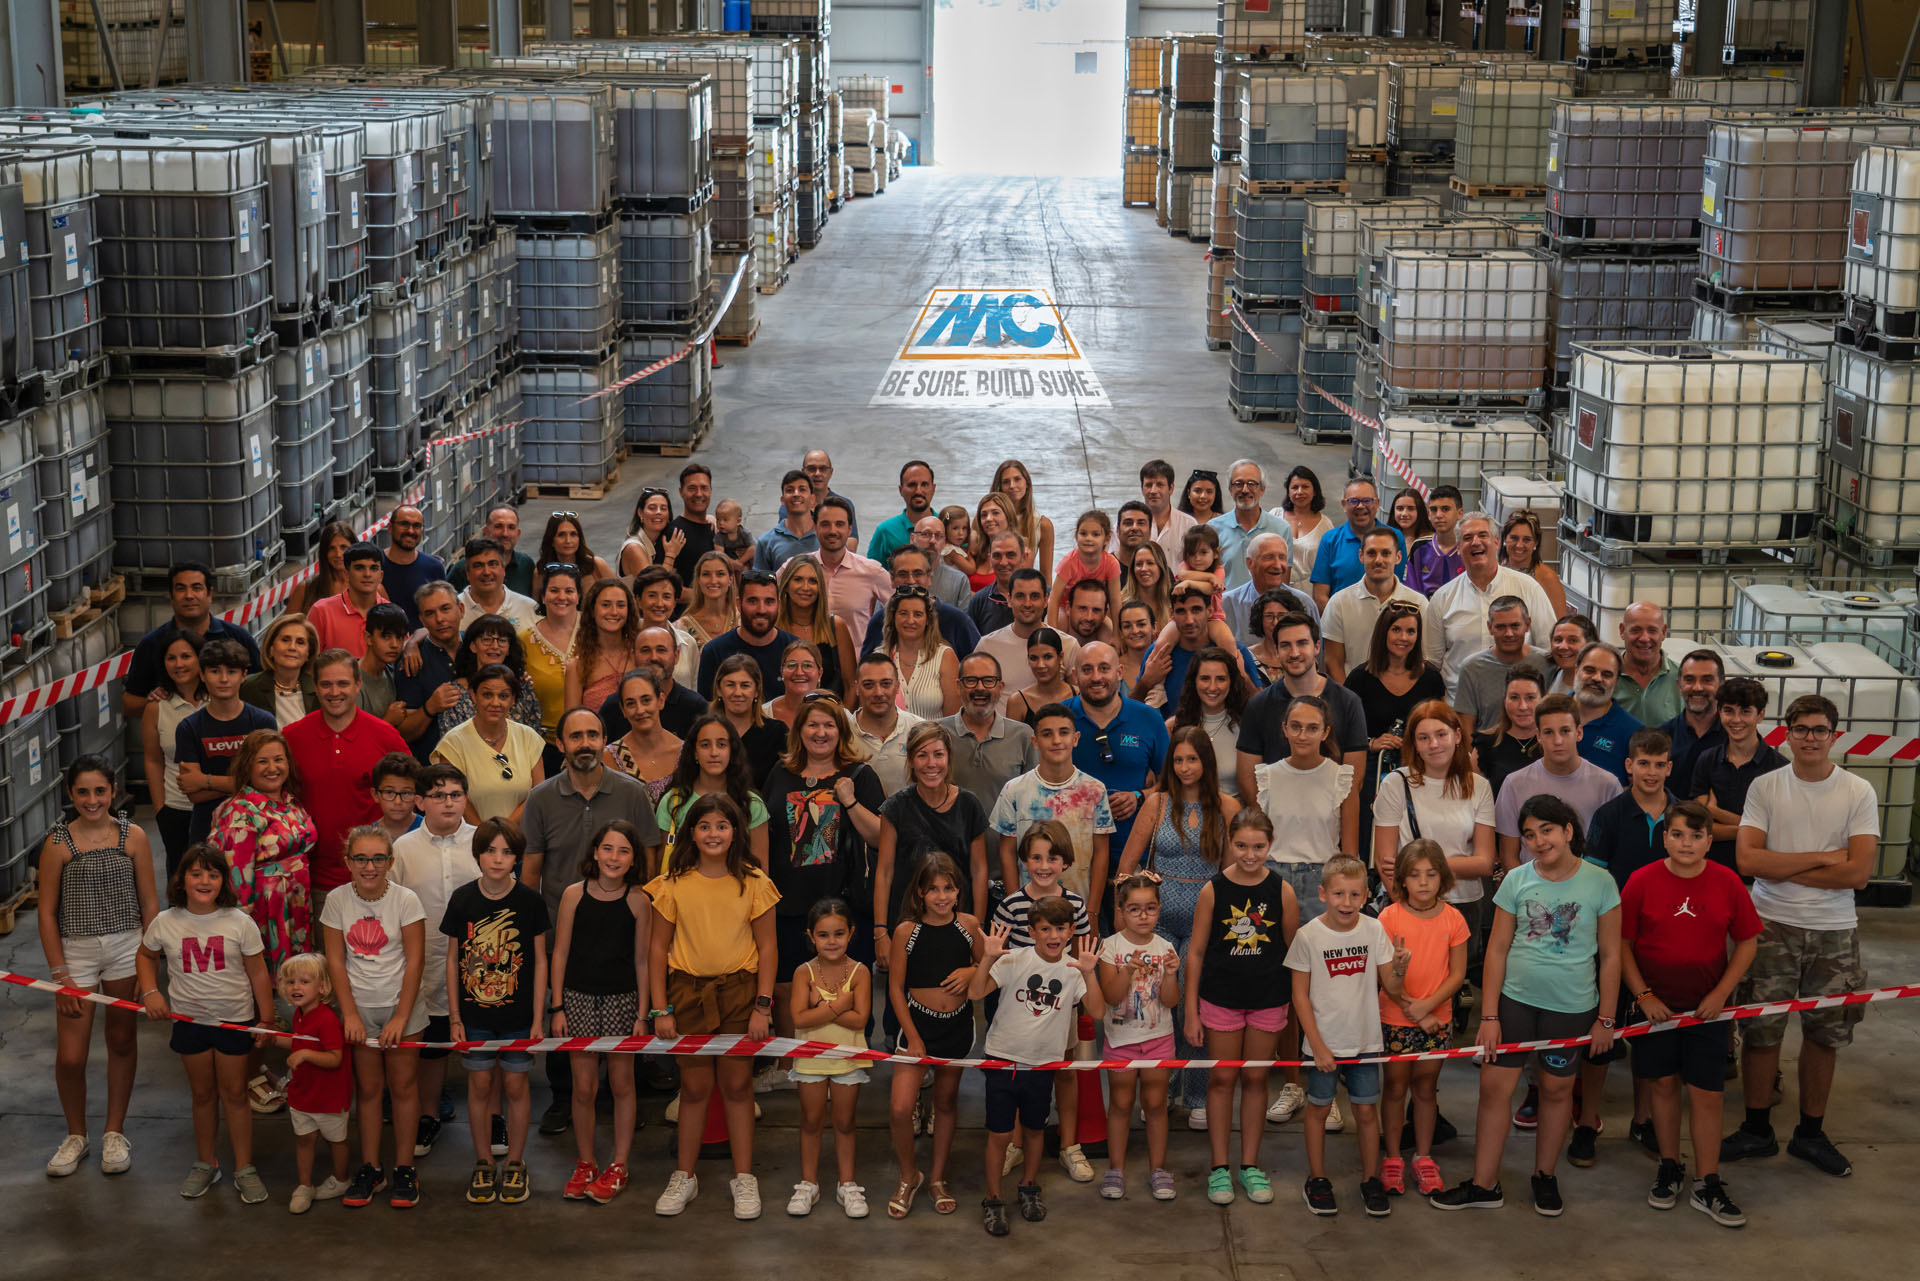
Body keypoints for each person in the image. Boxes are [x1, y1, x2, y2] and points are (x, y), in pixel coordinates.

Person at [1431, 795, 1621, 1218]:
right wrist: (1490, 1015)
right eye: (1530, 834)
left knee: (1556, 1091)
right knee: (1493, 1089)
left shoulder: (1600, 884)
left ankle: (1545, 1176)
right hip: (1515, 1004)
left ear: (1569, 830)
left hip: (1570, 1008)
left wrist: (1606, 1018)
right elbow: (1496, 949)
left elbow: (1610, 955)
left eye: (1547, 831)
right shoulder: (1516, 880)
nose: (1538, 841)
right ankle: (1484, 1184)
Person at [1723, 694, 1877, 1179]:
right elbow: (1748, 862)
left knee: (1824, 1035)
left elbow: (1858, 875)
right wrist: (1823, 857)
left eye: (1820, 729)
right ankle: (1757, 1129)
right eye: (1802, 728)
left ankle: (1810, 1133)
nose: (1810, 737)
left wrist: (1784, 868)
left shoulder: (1858, 792)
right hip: (1770, 925)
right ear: (1785, 733)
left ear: (1834, 735)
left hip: (1834, 932)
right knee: (1761, 1031)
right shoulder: (1766, 787)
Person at [520, 706, 661, 1135]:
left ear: (605, 741)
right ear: (560, 744)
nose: (585, 743)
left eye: (593, 735)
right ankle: (565, 1099)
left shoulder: (632, 793)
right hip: (560, 922)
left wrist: (647, 916)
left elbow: (650, 861)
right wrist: (532, 930)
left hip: (621, 924)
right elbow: (531, 867)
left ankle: (622, 1097)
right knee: (564, 1018)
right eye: (575, 736)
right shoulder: (541, 797)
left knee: (623, 1007)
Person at [1621, 801, 1762, 1227]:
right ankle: (1669, 1165)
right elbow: (1622, 945)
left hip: (1708, 1011)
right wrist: (1643, 995)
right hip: (1656, 1009)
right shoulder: (1641, 881)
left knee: (1707, 1093)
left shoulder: (1727, 882)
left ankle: (1708, 1180)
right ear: (1664, 837)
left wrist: (1722, 993)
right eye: (1678, 834)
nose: (1687, 843)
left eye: (1697, 836)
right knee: (1662, 1086)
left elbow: (1748, 942)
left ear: (1708, 841)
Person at [647, 794, 781, 1220]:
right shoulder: (672, 883)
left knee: (738, 1087)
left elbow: (768, 946)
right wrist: (660, 1008)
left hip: (741, 995)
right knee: (696, 1088)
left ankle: (744, 1178)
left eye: (722, 825)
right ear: (690, 832)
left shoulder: (754, 882)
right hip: (686, 994)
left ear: (736, 832)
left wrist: (763, 1006)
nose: (713, 833)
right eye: (704, 826)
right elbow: (656, 949)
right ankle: (685, 1175)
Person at [37, 758, 158, 1180]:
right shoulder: (56, 844)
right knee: (71, 1056)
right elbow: (48, 914)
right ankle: (76, 1135)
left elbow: (149, 904)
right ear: (70, 795)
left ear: (113, 790)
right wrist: (60, 973)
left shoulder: (135, 837)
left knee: (121, 1039)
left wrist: (148, 964)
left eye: (99, 791)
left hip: (127, 946)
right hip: (77, 953)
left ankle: (113, 1132)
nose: (92, 800)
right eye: (83, 792)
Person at [135, 844, 274, 1203]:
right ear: (181, 880)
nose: (204, 880)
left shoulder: (239, 922)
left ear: (224, 881)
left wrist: (267, 1018)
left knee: (235, 1094)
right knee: (201, 1094)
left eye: (213, 874)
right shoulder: (166, 922)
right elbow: (146, 956)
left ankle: (245, 1167)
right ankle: (205, 1163)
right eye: (196, 873)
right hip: (189, 1021)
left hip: (234, 1020)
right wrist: (151, 991)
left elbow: (258, 971)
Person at [1114, 726, 1239, 1120]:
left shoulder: (1227, 807)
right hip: (1157, 921)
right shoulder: (1157, 804)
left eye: (1193, 759)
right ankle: (1162, 1088)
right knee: (1156, 1003)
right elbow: (1125, 868)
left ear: (1207, 763)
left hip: (1205, 922)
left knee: (1194, 1003)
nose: (1185, 768)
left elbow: (1234, 876)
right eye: (1179, 760)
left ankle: (1198, 1096)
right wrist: (1125, 926)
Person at [1572, 727, 1679, 1164]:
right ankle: (1586, 1122)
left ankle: (1642, 1120)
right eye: (1643, 764)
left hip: (1665, 940)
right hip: (1614, 940)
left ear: (1669, 768)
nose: (1651, 772)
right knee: (1603, 1037)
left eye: (1660, 764)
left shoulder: (1681, 814)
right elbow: (1595, 880)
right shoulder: (1610, 815)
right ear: (1628, 766)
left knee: (1650, 1039)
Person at [969, 899, 1106, 1236]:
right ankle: (993, 1199)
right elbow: (974, 993)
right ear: (1031, 932)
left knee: (1033, 1130)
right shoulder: (1015, 960)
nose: (1053, 935)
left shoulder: (1075, 970)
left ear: (1072, 931)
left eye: (1060, 928)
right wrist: (987, 957)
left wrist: (1089, 972)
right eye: (1045, 928)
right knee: (1000, 1134)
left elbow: (1099, 1012)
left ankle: (1029, 1187)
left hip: (1043, 1066)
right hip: (1003, 1059)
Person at [1183, 808, 1298, 1207]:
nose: (1250, 855)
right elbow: (1195, 953)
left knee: (1254, 1082)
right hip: (1221, 1001)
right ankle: (1219, 1168)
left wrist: (1293, 1006)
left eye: (1259, 846)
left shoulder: (1282, 891)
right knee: (1222, 1081)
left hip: (1267, 1001)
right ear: (1229, 843)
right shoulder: (1212, 891)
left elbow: (1292, 952)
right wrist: (1192, 1011)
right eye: (1241, 846)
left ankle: (1249, 1165)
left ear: (1271, 845)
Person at [439, 816, 549, 1205]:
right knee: (480, 1086)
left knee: (518, 1086)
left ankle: (516, 1162)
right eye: (490, 851)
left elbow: (540, 963)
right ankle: (484, 1161)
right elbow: (453, 961)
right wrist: (455, 1017)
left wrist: (539, 1020)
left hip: (519, 1018)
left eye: (506, 852)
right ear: (478, 855)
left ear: (517, 858)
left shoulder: (530, 902)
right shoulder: (463, 899)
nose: (498, 859)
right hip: (475, 1019)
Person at [1287, 856, 1403, 1218]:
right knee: (1318, 1109)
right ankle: (1317, 1179)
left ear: (1366, 895)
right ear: (1323, 893)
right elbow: (1299, 996)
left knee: (1367, 1111)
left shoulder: (1374, 930)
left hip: (1366, 1042)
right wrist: (1317, 1046)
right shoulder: (1308, 936)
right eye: (1338, 893)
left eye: (1355, 894)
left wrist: (1400, 968)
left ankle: (1371, 1179)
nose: (1346, 902)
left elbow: (1393, 987)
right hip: (1323, 1045)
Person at [762, 696, 885, 1032]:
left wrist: (850, 801)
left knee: (843, 990)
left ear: (841, 731)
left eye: (829, 725)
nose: (820, 732)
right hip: (787, 903)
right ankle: (792, 1064)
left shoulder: (859, 775)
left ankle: (847, 1063)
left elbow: (880, 837)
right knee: (787, 988)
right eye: (812, 725)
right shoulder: (780, 772)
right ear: (799, 731)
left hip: (841, 907)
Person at [321, 826, 428, 1209]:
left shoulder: (406, 900)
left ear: (390, 862)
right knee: (368, 1091)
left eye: (378, 858)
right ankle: (371, 1168)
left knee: (403, 1087)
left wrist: (401, 1016)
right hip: (360, 1009)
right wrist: (349, 1013)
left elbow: (415, 961)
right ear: (348, 862)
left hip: (403, 1007)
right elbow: (335, 959)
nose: (370, 866)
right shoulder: (336, 901)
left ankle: (404, 1168)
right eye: (361, 858)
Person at [550, 819, 648, 1205]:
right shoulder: (574, 894)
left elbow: (642, 961)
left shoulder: (639, 900)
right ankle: (586, 1161)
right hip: (577, 1000)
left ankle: (619, 1163)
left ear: (633, 859)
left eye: (623, 850)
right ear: (595, 852)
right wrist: (556, 1005)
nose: (614, 857)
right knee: (584, 1088)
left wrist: (643, 1014)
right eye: (608, 848)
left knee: (622, 1085)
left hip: (623, 1002)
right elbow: (559, 952)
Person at [885, 852, 985, 1220]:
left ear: (959, 891)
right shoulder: (906, 932)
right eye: (933, 890)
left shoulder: (970, 925)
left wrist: (972, 970)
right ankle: (909, 1175)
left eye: (949, 888)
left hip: (956, 1027)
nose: (942, 896)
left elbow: (990, 966)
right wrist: (912, 1038)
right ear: (920, 893)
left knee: (945, 1101)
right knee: (900, 1107)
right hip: (917, 1028)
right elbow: (895, 988)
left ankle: (938, 1178)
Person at [389, 764, 478, 1162]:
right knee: (432, 1043)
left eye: (456, 794)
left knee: (481, 1041)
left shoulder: (482, 842)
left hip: (479, 964)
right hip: (423, 963)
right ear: (420, 802)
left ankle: (492, 1116)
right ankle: (428, 1115)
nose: (448, 802)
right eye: (438, 795)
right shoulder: (403, 849)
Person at [1376, 840, 1469, 1197]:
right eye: (1414, 875)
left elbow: (1457, 974)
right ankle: (1394, 1157)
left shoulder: (1453, 919)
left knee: (1427, 1089)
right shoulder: (1388, 918)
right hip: (1395, 1019)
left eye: (1431, 874)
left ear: (1442, 877)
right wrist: (1412, 1008)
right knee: (1396, 1087)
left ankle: (1424, 1157)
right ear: (1402, 879)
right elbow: (1385, 977)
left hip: (1437, 1020)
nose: (1423, 882)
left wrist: (1428, 1009)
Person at [285, 652, 414, 906]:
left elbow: (413, 791)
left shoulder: (385, 735)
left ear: (358, 685)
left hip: (377, 876)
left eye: (343, 683)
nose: (335, 692)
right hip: (312, 879)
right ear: (315, 687)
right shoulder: (292, 737)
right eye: (326, 684)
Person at [990, 702, 1116, 954]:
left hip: (1077, 911)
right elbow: (1007, 852)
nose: (1056, 740)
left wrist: (1091, 911)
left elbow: (1101, 854)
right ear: (1035, 741)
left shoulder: (1094, 790)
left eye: (1064, 732)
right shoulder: (1014, 790)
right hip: (1032, 916)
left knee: (1077, 980)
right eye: (1047, 734)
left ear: (1076, 738)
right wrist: (1018, 905)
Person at [1097, 871, 1183, 1201]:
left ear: (1159, 909)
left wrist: (1172, 974)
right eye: (1134, 909)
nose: (1143, 915)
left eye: (1150, 908)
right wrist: (1128, 970)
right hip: (1120, 1041)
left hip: (1160, 1038)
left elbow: (1171, 1001)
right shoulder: (1110, 948)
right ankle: (1115, 1169)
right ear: (1121, 911)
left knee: (1156, 1104)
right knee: (1120, 1104)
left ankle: (1158, 1169)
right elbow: (1110, 996)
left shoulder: (1166, 948)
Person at [787, 899, 872, 1218]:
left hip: (848, 1059)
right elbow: (799, 1019)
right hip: (809, 1059)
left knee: (845, 1122)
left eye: (839, 933)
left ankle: (847, 1184)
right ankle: (808, 1183)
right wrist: (841, 1006)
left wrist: (821, 1010)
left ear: (851, 933)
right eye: (823, 935)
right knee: (810, 1121)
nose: (832, 941)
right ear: (811, 936)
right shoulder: (802, 972)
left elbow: (860, 1020)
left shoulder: (860, 972)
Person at [1235, 612, 1367, 802]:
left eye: (1302, 643)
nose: (1294, 653)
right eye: (1285, 645)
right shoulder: (1258, 706)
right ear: (1277, 651)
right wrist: (1267, 825)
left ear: (1317, 647)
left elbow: (1354, 780)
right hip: (1275, 821)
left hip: (1331, 821)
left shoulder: (1348, 702)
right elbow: (1247, 780)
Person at [1067, 642, 1171, 879]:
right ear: (1075, 675)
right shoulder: (1060, 719)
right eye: (1087, 670)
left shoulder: (1149, 719)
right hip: (1071, 858)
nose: (1096, 677)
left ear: (1120, 672)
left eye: (1104, 668)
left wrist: (1139, 796)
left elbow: (1171, 782)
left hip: (1134, 856)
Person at [875, 722, 991, 930]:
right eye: (922, 755)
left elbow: (979, 869)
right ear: (910, 760)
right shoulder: (895, 809)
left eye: (938, 754)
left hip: (960, 919)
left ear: (949, 758)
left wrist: (978, 925)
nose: (931, 763)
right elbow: (884, 872)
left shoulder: (969, 805)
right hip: (908, 922)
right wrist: (880, 930)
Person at [1421, 513, 1555, 692]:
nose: (1476, 542)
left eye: (1483, 535)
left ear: (1497, 542)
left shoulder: (1528, 588)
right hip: (1459, 705)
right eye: (1467, 538)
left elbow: (1548, 651)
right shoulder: (1442, 598)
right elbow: (1432, 663)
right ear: (1459, 548)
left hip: (1517, 706)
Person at [1494, 693, 1623, 871]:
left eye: (1565, 731)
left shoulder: (1607, 785)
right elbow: (1509, 856)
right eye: (1548, 732)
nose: (1558, 741)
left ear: (1579, 732)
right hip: (1531, 891)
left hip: (1589, 891)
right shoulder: (1514, 784)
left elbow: (1616, 851)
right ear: (1538, 736)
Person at [1344, 602, 1447, 817]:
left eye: (1411, 631)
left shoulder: (1431, 678)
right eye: (1396, 630)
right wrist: (1371, 743)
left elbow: (1442, 726)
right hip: (1373, 771)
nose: (1404, 638)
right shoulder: (1360, 678)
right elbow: (1342, 733)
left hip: (1420, 770)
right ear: (1384, 632)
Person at [122, 562, 261, 719]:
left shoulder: (238, 638)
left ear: (210, 594)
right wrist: (155, 701)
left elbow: (261, 688)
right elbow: (129, 704)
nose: (189, 595)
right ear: (171, 596)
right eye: (181, 589)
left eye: (197, 588)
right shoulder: (152, 643)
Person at [177, 638, 280, 843]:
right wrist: (247, 784)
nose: (224, 679)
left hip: (259, 825)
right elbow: (194, 793)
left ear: (243, 676)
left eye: (231, 672)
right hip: (207, 828)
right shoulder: (188, 727)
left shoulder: (262, 721)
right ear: (202, 675)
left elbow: (269, 784)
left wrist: (205, 780)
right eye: (215, 671)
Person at [274, 952, 353, 1213]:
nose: (296, 987)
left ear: (323, 987)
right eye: (291, 981)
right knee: (304, 1139)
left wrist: (306, 1054)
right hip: (304, 1094)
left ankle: (341, 1180)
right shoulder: (299, 1015)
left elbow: (335, 1058)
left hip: (328, 1096)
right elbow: (300, 1042)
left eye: (304, 981)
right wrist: (274, 1039)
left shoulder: (327, 1020)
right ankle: (305, 1185)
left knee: (336, 1140)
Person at [938, 653, 1040, 846]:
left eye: (988, 681)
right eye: (971, 681)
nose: (979, 688)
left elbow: (1034, 803)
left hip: (1008, 862)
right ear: (958, 686)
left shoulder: (1023, 736)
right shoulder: (936, 734)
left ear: (1000, 688)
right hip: (949, 862)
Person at [1690, 676, 1784, 870]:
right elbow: (1700, 827)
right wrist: (1749, 829)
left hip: (1760, 876)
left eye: (1745, 711)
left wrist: (1716, 812)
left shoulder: (1780, 769)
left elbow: (1774, 834)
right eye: (1728, 711)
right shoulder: (1706, 759)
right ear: (1719, 712)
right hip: (1711, 870)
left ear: (1760, 715)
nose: (1736, 720)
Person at [433, 664, 547, 826]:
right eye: (487, 695)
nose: (495, 702)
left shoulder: (529, 737)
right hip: (471, 840)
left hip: (521, 838)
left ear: (513, 699)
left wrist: (506, 831)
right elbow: (455, 798)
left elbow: (538, 795)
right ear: (473, 695)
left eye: (503, 696)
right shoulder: (453, 743)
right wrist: (485, 837)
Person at [655, 714, 772, 868]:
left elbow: (762, 873)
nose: (714, 752)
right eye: (705, 745)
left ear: (732, 751)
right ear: (694, 752)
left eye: (722, 744)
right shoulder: (673, 801)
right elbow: (660, 870)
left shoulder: (751, 804)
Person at [1321, 528, 1427, 684]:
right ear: (1361, 556)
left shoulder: (1418, 603)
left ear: (1398, 557)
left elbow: (1423, 657)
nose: (1378, 560)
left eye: (1386, 553)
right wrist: (1351, 699)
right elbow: (1333, 662)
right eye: (1371, 553)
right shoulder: (1338, 603)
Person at [1134, 585, 1264, 709]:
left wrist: (1242, 675)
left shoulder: (1236, 652)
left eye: (1196, 610)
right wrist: (1145, 682)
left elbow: (1261, 705)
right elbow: (1130, 709)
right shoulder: (1159, 654)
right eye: (1181, 611)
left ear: (1210, 611)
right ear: (1172, 614)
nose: (1189, 620)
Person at [142, 630, 207, 873]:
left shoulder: (221, 699)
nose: (179, 664)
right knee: (180, 881)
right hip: (176, 810)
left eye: (186, 656)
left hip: (219, 807)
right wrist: (161, 810)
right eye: (171, 658)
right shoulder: (156, 707)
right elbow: (153, 760)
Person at [977, 570, 1079, 715]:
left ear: (1046, 600)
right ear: (1009, 600)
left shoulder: (1068, 645)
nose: (1027, 603)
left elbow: (1079, 703)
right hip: (1004, 735)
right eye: (1020, 596)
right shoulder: (987, 646)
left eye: (1034, 596)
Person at [858, 545, 982, 659]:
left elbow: (978, 666)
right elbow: (866, 671)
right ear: (892, 579)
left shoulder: (956, 620)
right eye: (903, 574)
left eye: (918, 573)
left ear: (928, 577)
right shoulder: (880, 621)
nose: (911, 581)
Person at [1450, 596, 1547, 739]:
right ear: (1490, 628)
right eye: (1501, 627)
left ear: (1528, 624)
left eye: (1515, 626)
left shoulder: (1546, 663)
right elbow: (1466, 729)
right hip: (1487, 754)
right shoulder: (1472, 668)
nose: (1508, 633)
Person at [1167, 647, 1256, 799]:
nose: (1212, 687)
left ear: (1231, 682)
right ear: (1194, 681)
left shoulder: (1247, 724)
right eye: (1205, 678)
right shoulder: (1173, 727)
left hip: (1236, 818)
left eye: (1221, 679)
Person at [697, 571, 798, 700]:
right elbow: (707, 711)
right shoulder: (715, 651)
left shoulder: (794, 650)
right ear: (739, 604)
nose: (761, 610)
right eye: (753, 601)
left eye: (769, 602)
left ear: (778, 604)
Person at [394, 582, 466, 762]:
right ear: (422, 620)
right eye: (430, 613)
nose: (439, 619)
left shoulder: (479, 647)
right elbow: (404, 734)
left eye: (445, 609)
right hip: (433, 772)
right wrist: (430, 707)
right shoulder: (411, 662)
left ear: (461, 609)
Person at [1310, 477, 1407, 608]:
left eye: (1367, 500)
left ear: (1377, 503)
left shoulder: (1395, 537)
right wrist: (1337, 621)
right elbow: (1320, 595)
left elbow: (1399, 589)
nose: (1360, 506)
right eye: (1353, 501)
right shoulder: (1330, 540)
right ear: (1344, 505)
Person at [520, 563, 581, 762]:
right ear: (543, 596)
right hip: (543, 747)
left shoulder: (595, 633)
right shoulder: (523, 641)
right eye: (554, 590)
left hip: (592, 741)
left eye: (569, 591)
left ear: (578, 596)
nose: (561, 597)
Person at [1221, 533, 1321, 652]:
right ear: (1250, 563)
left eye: (1282, 557)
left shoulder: (1305, 603)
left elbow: (1316, 659)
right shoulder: (1227, 604)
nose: (1277, 565)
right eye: (1269, 557)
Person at [811, 496, 893, 642]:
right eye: (825, 524)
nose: (832, 531)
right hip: (808, 662)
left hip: (857, 662)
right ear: (815, 528)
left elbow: (902, 607)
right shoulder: (798, 568)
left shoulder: (871, 571)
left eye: (839, 524)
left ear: (849, 529)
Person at [776, 554, 857, 697]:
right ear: (786, 585)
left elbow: (851, 686)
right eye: (798, 579)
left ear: (820, 587)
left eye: (813, 581)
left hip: (830, 715)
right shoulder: (773, 627)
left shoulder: (836, 626)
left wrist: (841, 718)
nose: (806, 587)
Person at [603, 667, 684, 802]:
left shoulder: (685, 752)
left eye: (646, 700)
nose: (640, 710)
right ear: (623, 710)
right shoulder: (609, 757)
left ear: (661, 701)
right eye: (631, 704)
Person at [1209, 459, 1289, 593]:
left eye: (1252, 484)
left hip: (1267, 610)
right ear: (1230, 489)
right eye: (1238, 484)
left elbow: (1284, 581)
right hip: (1226, 611)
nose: (1245, 490)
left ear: (1262, 489)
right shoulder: (1213, 529)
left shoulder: (1281, 529)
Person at [565, 578, 642, 716]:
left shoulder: (640, 657)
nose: (614, 612)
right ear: (592, 611)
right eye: (606, 605)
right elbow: (571, 723)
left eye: (621, 605)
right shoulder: (577, 666)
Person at [1570, 642, 1644, 783]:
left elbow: (1636, 792)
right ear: (1576, 671)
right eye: (1590, 670)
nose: (1597, 678)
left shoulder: (1633, 733)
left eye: (1607, 674)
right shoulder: (1549, 714)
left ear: (1616, 682)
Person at [709, 654, 788, 785]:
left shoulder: (777, 733)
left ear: (757, 690)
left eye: (745, 685)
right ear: (719, 690)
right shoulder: (704, 732)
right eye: (730, 685)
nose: (737, 693)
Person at [883, 586, 961, 719]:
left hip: (934, 738)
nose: (910, 620)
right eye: (903, 613)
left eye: (918, 614)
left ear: (928, 620)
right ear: (893, 617)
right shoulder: (880, 657)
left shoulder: (945, 656)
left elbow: (953, 721)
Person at [850, 653, 923, 794]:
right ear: (857, 688)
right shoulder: (842, 732)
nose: (878, 692)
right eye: (868, 685)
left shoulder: (920, 729)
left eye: (886, 684)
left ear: (897, 686)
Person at [1472, 665, 1546, 800]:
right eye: (1514, 697)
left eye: (1530, 697)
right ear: (1504, 700)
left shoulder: (1554, 743)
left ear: (1543, 699)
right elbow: (1477, 804)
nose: (1522, 706)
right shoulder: (1484, 745)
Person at [308, 542, 390, 659]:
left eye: (373, 568)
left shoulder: (394, 614)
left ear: (381, 576)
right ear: (346, 574)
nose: (367, 574)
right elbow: (309, 662)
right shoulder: (321, 611)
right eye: (359, 568)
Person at [1659, 649, 1725, 791]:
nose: (1697, 687)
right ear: (1679, 686)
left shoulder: (1735, 737)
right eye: (1689, 680)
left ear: (1721, 685)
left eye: (1707, 680)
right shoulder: (1662, 737)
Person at [240, 613, 319, 727]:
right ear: (271, 648)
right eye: (285, 640)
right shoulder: (247, 687)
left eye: (300, 642)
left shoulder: (319, 690)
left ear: (308, 654)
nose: (292, 647)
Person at [1049, 509, 1123, 630]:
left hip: (1093, 611)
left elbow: (1115, 600)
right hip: (1067, 610)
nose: (1088, 538)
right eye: (1083, 533)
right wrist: (1052, 629)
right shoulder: (1069, 562)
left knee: (1108, 628)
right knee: (1059, 619)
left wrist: (1116, 633)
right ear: (1076, 535)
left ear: (1107, 538)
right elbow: (1054, 598)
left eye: (1095, 534)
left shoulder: (1111, 563)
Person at [1616, 602, 1681, 727]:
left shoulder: (1684, 679)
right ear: (1622, 631)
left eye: (1652, 630)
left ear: (1663, 632)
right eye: (1636, 630)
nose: (1644, 638)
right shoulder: (1605, 676)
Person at [1499, 510, 1570, 623]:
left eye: (1527, 540)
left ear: (1536, 543)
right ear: (1504, 539)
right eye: (1514, 538)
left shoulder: (1547, 578)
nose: (1519, 545)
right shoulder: (1496, 570)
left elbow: (1560, 624)